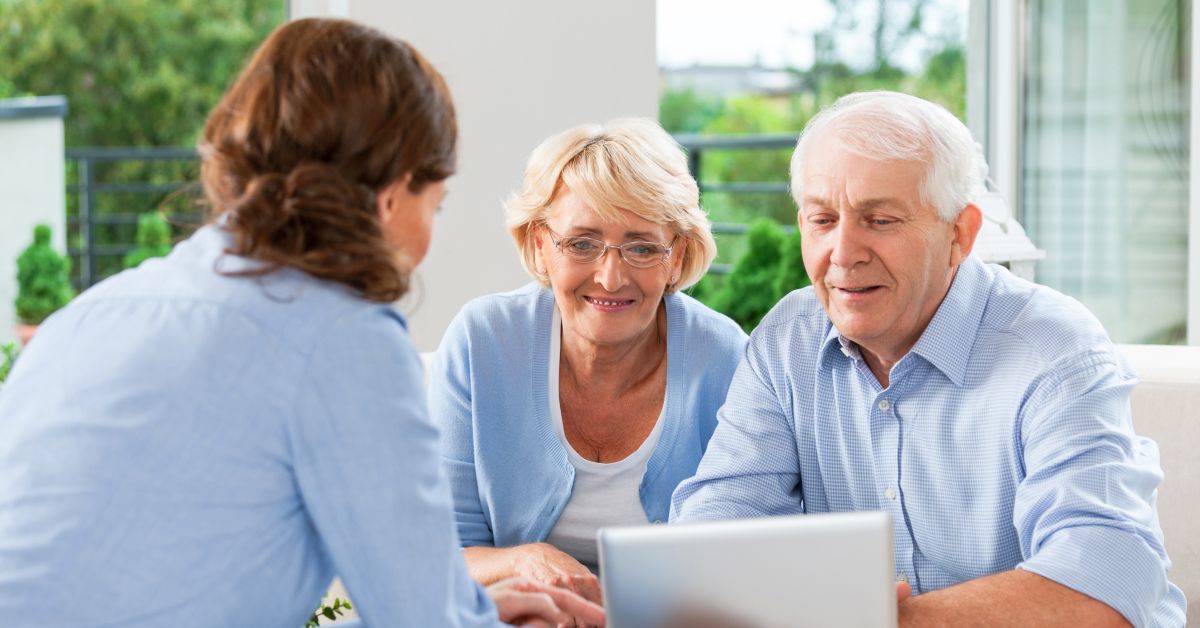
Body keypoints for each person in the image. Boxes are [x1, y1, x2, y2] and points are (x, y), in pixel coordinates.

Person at [0, 18, 602, 628]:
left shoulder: (89, 316)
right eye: (435, 204)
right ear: (392, 195)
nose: (429, 234)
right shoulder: (342, 339)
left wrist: (467, 609)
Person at [671, 91, 1186, 627]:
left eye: (881, 220)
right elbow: (718, 523)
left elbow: (1104, 584)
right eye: (822, 219)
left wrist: (889, 620)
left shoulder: (1054, 350)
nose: (843, 253)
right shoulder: (789, 338)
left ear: (959, 233)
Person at [430, 119, 746, 615]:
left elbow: (744, 554)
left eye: (641, 247)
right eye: (581, 243)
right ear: (540, 245)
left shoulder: (725, 357)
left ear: (676, 253)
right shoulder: (482, 340)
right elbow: (444, 552)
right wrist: (525, 561)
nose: (610, 276)